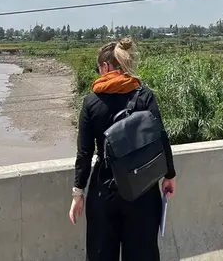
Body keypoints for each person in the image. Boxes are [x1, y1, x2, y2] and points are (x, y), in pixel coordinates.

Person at [68, 38, 177, 261]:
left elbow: (84, 153)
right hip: (142, 188)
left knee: (101, 253)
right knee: (142, 253)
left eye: (99, 69)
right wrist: (169, 175)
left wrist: (78, 193)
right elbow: (160, 139)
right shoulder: (144, 95)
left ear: (106, 67)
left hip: (104, 189)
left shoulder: (91, 101)